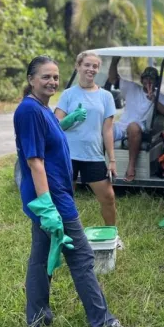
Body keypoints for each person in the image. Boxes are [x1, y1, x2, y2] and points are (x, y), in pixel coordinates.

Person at [13, 55, 133, 327]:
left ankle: (37, 320)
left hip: (50, 200)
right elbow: (35, 161)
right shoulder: (29, 111)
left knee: (40, 261)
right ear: (31, 79)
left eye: (55, 77)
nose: (52, 82)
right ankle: (103, 325)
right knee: (82, 258)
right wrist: (48, 209)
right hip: (53, 202)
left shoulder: (42, 109)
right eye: (45, 76)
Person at [54, 51, 122, 248]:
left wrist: (111, 160)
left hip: (93, 155)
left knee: (108, 198)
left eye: (95, 66)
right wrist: (71, 117)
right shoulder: (68, 95)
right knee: (66, 200)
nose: (91, 69)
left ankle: (113, 238)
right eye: (87, 65)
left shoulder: (106, 96)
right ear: (78, 66)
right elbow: (56, 126)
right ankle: (65, 240)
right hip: (68, 156)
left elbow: (107, 130)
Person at [107, 57, 164, 181]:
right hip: (121, 126)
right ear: (142, 79)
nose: (148, 81)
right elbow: (112, 79)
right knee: (102, 127)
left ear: (157, 82)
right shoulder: (132, 88)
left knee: (133, 127)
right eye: (146, 78)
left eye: (152, 79)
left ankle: (131, 167)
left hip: (138, 128)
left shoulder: (160, 96)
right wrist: (114, 61)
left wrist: (154, 99)